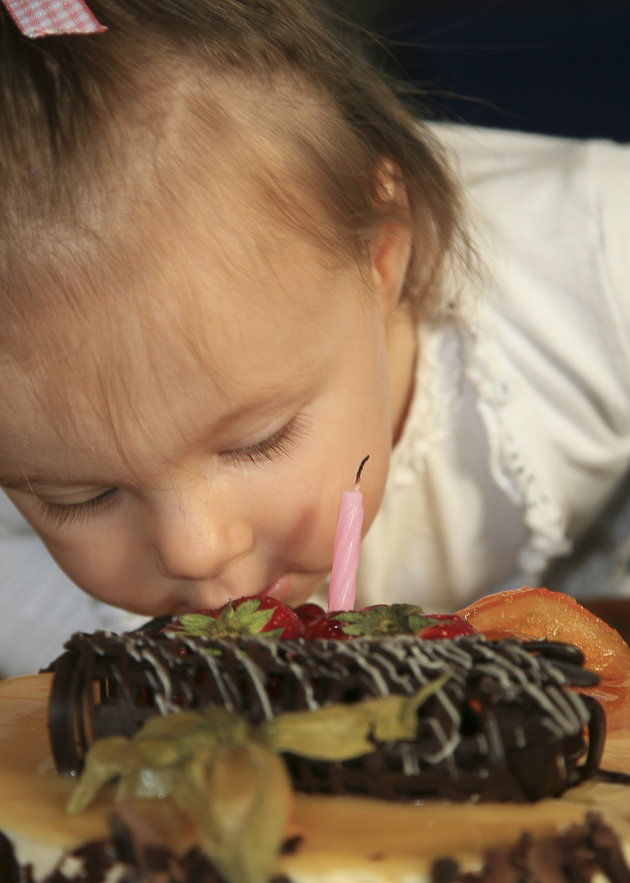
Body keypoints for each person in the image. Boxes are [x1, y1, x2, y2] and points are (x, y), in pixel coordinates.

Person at [1, 0, 629, 677]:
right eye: (80, 497)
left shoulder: (596, 258)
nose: (197, 550)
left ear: (382, 259)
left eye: (258, 440)